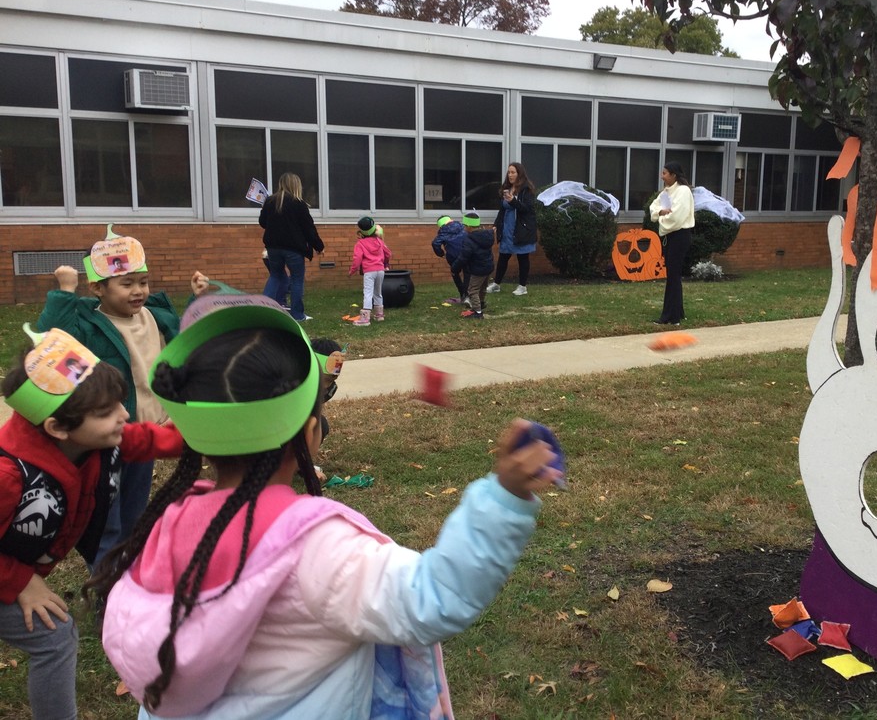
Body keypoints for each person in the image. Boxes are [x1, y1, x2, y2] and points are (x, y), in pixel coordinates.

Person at [89, 296, 561, 719]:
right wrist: (503, 497)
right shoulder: (315, 547)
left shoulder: (168, 522)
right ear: (310, 432)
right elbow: (431, 598)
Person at [0, 327, 182, 720]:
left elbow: (152, 440)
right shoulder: (8, 476)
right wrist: (20, 581)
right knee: (54, 636)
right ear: (57, 428)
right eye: (106, 412)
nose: (123, 415)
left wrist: (216, 435)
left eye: (119, 403)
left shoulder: (94, 438)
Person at [36, 227, 207, 570]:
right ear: (98, 288)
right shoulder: (87, 324)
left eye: (142, 282)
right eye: (127, 284)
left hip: (145, 431)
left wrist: (197, 299)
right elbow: (48, 341)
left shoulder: (156, 314)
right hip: (105, 439)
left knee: (134, 513)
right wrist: (64, 292)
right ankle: (104, 585)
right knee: (106, 521)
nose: (139, 291)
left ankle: (129, 572)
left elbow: (182, 340)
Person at [260, 172, 324, 322]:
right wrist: (319, 246)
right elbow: (308, 228)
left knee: (275, 276)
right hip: (293, 249)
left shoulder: (270, 201)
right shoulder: (298, 204)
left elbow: (263, 222)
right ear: (296, 185)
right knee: (297, 279)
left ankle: (263, 310)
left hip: (273, 247)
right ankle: (297, 315)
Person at [649, 161, 695, 325]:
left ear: (674, 175)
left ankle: (671, 317)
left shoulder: (683, 191)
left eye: (665, 173)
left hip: (680, 236)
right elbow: (653, 208)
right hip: (671, 236)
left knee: (673, 277)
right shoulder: (666, 192)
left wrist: (661, 219)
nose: (662, 176)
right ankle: (678, 311)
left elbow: (676, 217)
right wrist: (661, 211)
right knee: (673, 275)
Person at [487, 162, 538, 297]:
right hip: (507, 230)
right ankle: (496, 284)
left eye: (513, 172)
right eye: (509, 172)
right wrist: (496, 224)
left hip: (521, 229)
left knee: (522, 258)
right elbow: (502, 210)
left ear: (519, 173)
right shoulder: (507, 189)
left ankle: (522, 286)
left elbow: (526, 208)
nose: (510, 175)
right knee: (503, 256)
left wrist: (512, 201)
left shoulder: (526, 190)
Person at [309, 337, 345, 483]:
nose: (325, 386)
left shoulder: (328, 390)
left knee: (320, 423)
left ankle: (301, 463)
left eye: (330, 381)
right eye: (322, 379)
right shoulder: (290, 386)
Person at [347, 216, 392, 326]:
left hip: (369, 271)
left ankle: (365, 319)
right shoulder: (379, 241)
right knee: (378, 293)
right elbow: (388, 254)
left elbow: (357, 260)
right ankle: (379, 315)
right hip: (380, 270)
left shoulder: (360, 244)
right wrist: (385, 263)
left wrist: (352, 271)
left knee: (367, 293)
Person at [452, 212, 495, 320]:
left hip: (478, 269)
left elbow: (463, 257)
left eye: (465, 225)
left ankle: (477, 312)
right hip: (488, 267)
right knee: (483, 287)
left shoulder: (469, 240)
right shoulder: (487, 235)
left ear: (469, 227)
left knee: (472, 290)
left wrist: (454, 268)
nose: (464, 228)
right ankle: (481, 303)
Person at [431, 214, 468, 305]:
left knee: (455, 273)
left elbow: (435, 243)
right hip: (467, 254)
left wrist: (441, 254)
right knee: (468, 274)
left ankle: (463, 295)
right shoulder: (462, 227)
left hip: (454, 257)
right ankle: (469, 296)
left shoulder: (443, 231)